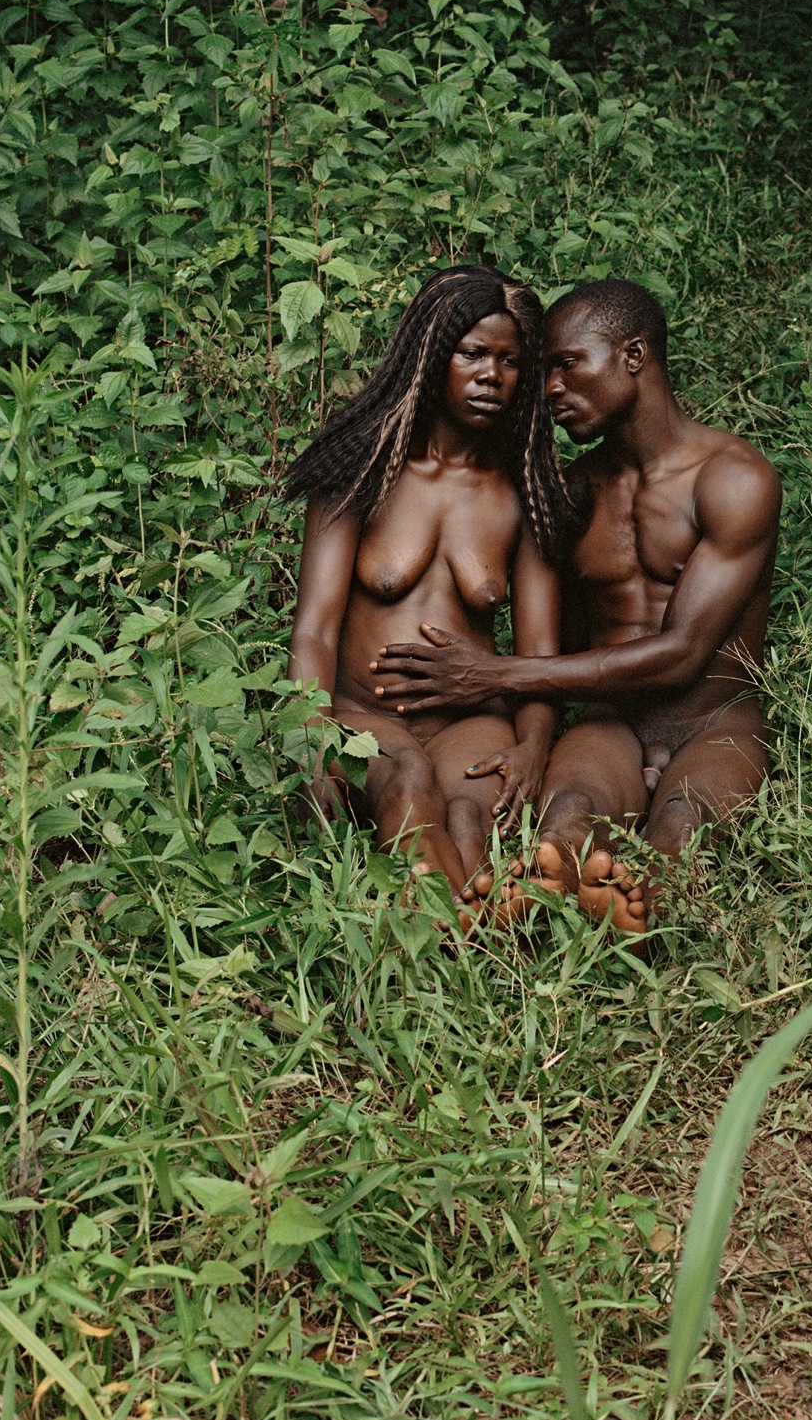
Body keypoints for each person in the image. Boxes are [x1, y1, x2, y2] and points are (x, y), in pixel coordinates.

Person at [369, 278, 781, 933]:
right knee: (564, 818)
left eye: (566, 366)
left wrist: (494, 674)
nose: (549, 389)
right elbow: (554, 643)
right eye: (545, 374)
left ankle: (637, 907)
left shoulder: (733, 478)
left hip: (711, 722)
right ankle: (533, 897)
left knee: (680, 826)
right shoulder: (567, 494)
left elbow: (681, 655)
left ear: (633, 357)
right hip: (608, 723)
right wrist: (530, 725)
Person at [284, 265, 578, 910]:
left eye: (510, 361)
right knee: (410, 783)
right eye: (472, 353)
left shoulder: (524, 492)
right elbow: (315, 629)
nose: (491, 375)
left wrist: (532, 744)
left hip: (471, 722)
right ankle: (453, 931)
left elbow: (540, 652)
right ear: (431, 353)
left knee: (473, 816)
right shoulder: (364, 469)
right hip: (363, 715)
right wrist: (311, 737)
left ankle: (466, 930)